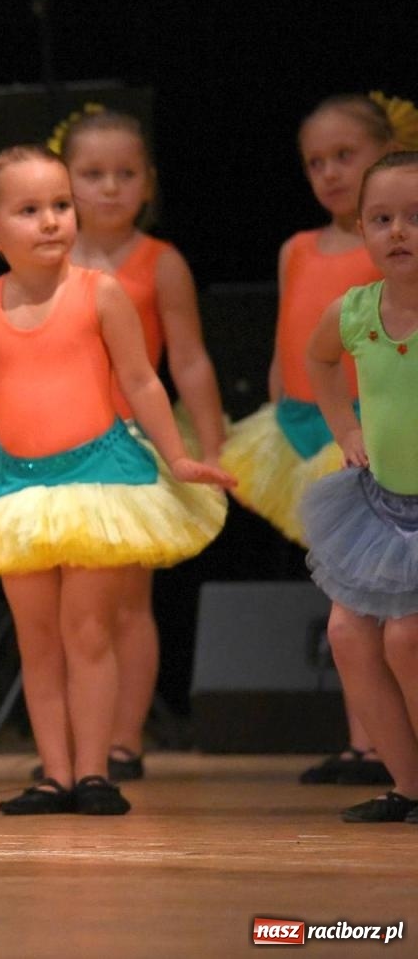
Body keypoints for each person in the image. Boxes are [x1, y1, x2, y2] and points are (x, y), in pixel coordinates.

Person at [0, 145, 232, 816]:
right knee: (37, 640)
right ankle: (53, 774)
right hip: (19, 490)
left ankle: (94, 771)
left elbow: (141, 381)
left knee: (88, 632)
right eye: (29, 210)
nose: (51, 221)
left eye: (60, 206)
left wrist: (178, 456)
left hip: (100, 480)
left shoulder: (99, 292)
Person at [222, 93, 416, 785]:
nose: (399, 232)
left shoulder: (400, 271)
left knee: (395, 621)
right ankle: (386, 764)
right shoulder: (327, 277)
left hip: (401, 472)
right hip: (341, 463)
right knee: (345, 616)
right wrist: (316, 415)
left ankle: (396, 762)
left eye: (347, 157)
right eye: (317, 163)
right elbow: (309, 350)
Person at [55, 107, 227, 780]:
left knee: (128, 600)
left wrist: (212, 440)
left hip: (134, 446)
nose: (109, 187)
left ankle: (124, 737)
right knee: (68, 603)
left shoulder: (162, 263)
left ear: (148, 183)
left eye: (125, 174)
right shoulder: (51, 256)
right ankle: (74, 736)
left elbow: (187, 361)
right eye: (92, 174)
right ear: (66, 179)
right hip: (58, 446)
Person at [301, 151, 418, 824]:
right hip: (380, 504)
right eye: (382, 219)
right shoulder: (354, 311)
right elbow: (319, 362)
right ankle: (406, 784)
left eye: (415, 218)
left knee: (407, 639)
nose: (398, 231)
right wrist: (345, 428)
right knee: (349, 634)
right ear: (363, 229)